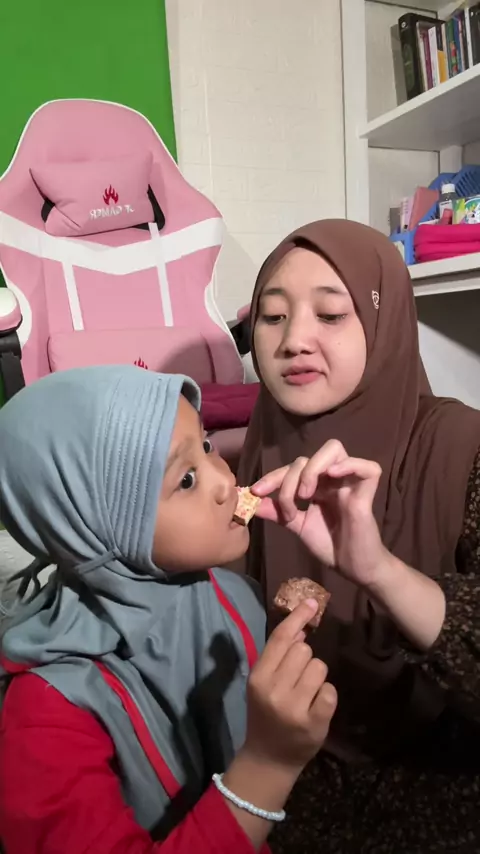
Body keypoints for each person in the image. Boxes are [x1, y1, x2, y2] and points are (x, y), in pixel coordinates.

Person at [0, 365, 338, 854]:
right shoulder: (44, 718)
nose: (224, 480)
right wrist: (268, 765)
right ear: (96, 528)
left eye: (206, 444)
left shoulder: (233, 596)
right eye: (186, 479)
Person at [237, 219, 480, 853]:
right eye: (272, 316)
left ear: (384, 321)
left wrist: (377, 569)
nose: (294, 340)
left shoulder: (463, 450)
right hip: (285, 782)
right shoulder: (255, 451)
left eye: (331, 314)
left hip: (441, 790)